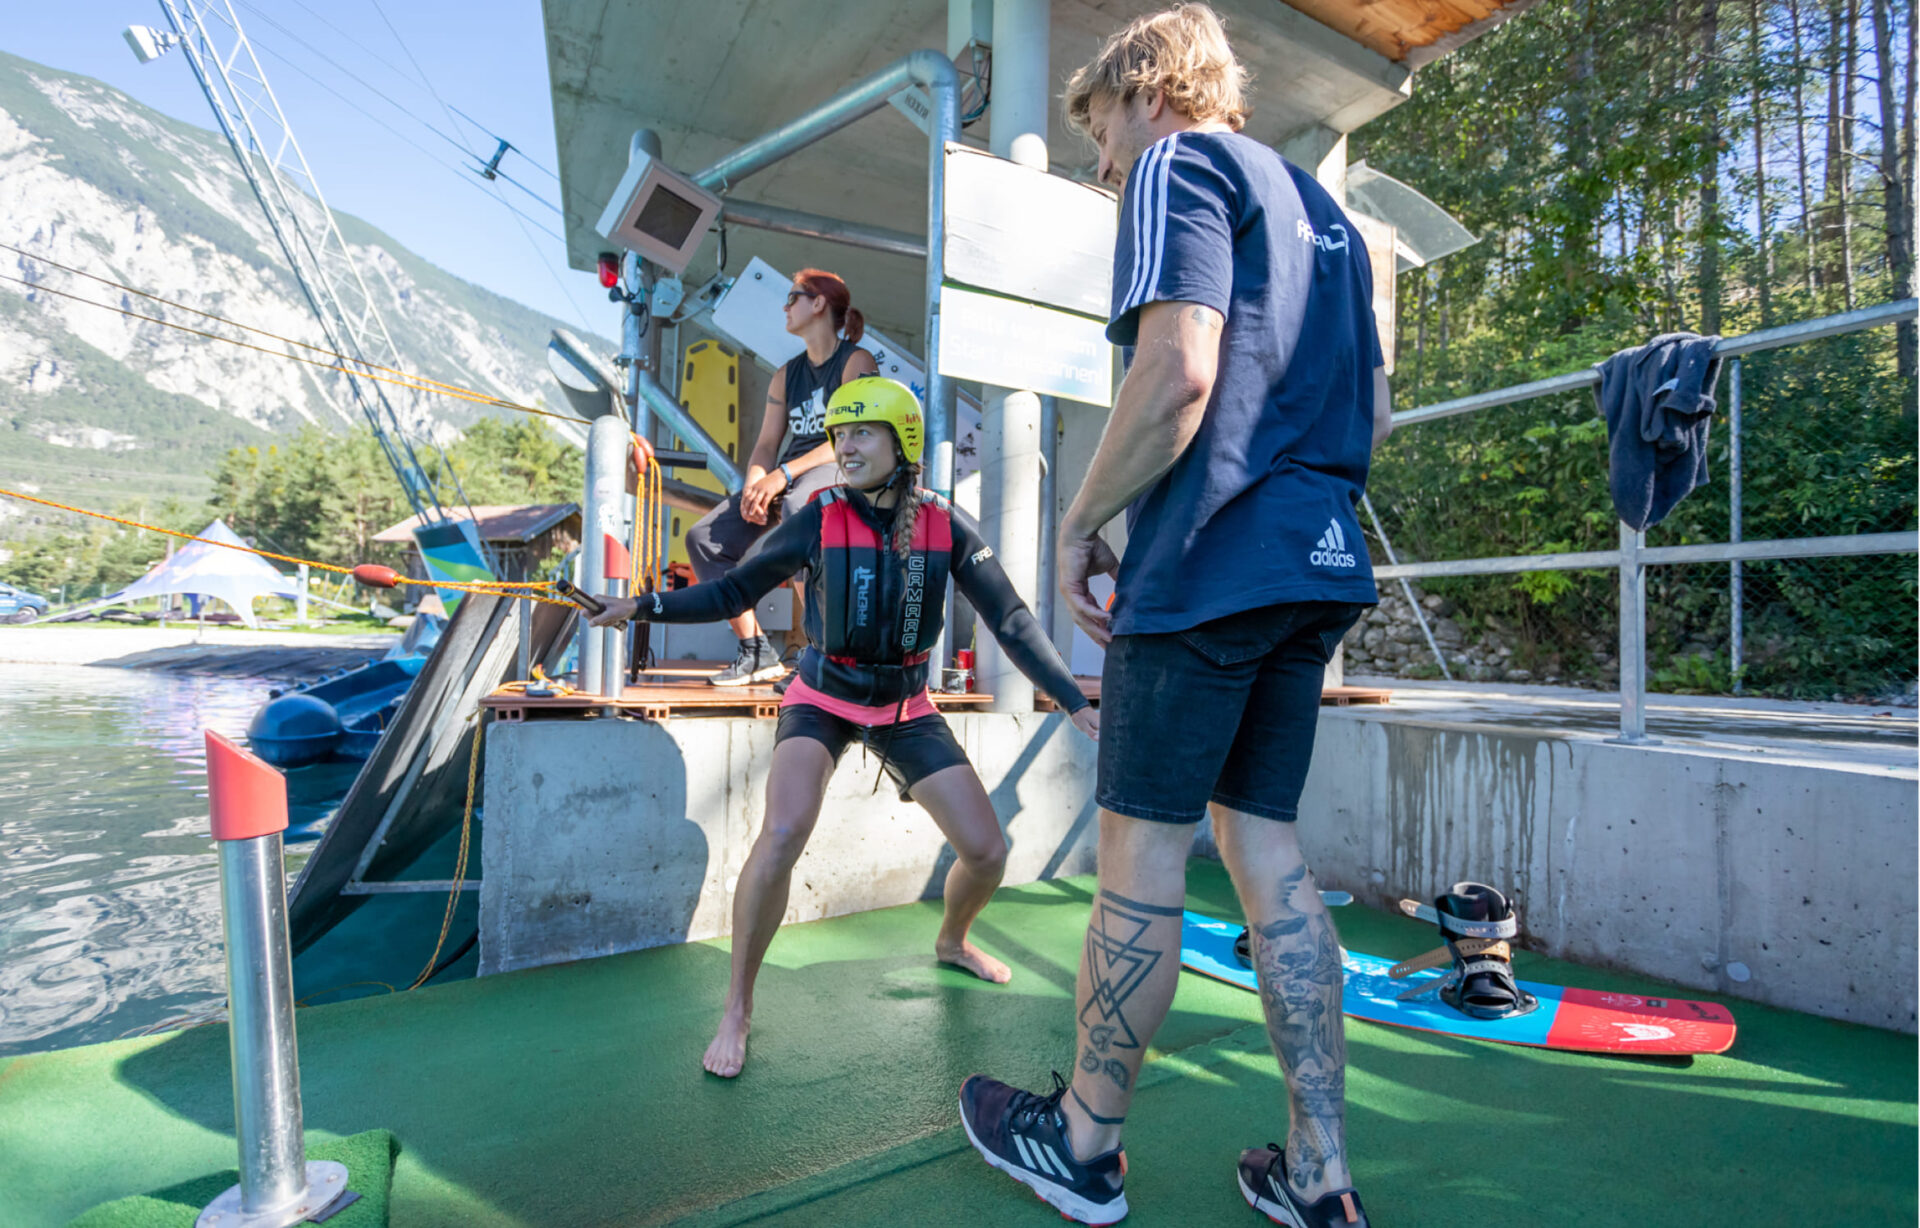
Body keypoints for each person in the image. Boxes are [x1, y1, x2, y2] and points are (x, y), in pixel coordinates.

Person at [956, 7, 1394, 1226]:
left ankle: (1084, 1146)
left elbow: (1181, 371)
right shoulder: (1330, 217)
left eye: (1098, 133)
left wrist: (1079, 519)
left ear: (1148, 91)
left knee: (1140, 854)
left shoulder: (1178, 161)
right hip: (1315, 558)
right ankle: (1321, 1174)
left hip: (1206, 561)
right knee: (1269, 850)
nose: (1104, 166)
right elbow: (1375, 408)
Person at [590, 376, 1099, 1078]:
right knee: (783, 832)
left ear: (904, 441)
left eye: (862, 432)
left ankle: (952, 941)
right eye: (839, 434)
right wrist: (642, 607)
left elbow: (1010, 620)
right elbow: (735, 589)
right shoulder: (818, 517)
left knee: (986, 850)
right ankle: (737, 1006)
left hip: (905, 707)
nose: (844, 446)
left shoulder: (946, 526)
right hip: (822, 696)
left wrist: (1073, 701)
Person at [685, 268, 878, 685]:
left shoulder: (856, 361)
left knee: (797, 506)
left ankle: (822, 656)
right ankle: (756, 651)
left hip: (839, 470)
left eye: (793, 298)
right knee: (703, 539)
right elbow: (766, 444)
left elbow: (852, 439)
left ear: (819, 303)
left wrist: (781, 476)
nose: (785, 307)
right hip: (788, 476)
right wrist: (756, 483)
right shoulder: (784, 374)